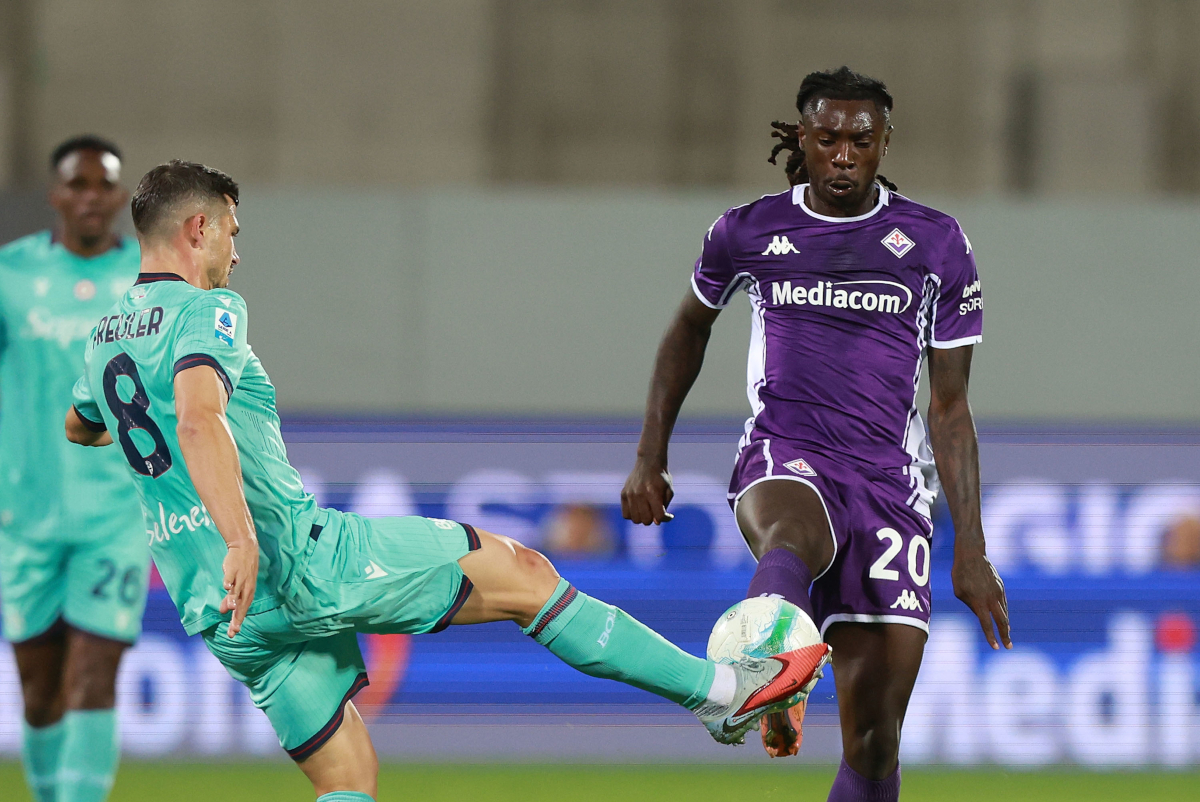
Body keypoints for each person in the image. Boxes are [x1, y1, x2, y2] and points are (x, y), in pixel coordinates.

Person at [64, 160, 831, 802]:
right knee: (523, 573)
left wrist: (152, 448)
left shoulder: (104, 337)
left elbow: (83, 424)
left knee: (348, 776)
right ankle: (722, 697)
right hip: (291, 561)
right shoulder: (210, 314)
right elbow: (200, 419)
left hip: (220, 612)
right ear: (198, 229)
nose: (237, 251)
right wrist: (239, 534)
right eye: (233, 230)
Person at [621, 67, 1011, 802]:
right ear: (802, 137)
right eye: (826, 136)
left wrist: (973, 547)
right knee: (791, 537)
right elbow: (688, 329)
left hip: (889, 488)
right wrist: (651, 456)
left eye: (859, 139)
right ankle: (771, 670)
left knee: (874, 742)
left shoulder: (936, 244)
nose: (841, 153)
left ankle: (784, 666)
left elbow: (950, 409)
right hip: (786, 454)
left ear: (884, 143)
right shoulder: (748, 229)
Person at [0, 136, 148, 802]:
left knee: (94, 676)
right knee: (39, 692)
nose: (91, 196)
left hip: (116, 514)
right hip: (23, 515)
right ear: (57, 194)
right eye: (77, 184)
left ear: (121, 198)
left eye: (104, 185)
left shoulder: (150, 282)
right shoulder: (10, 277)